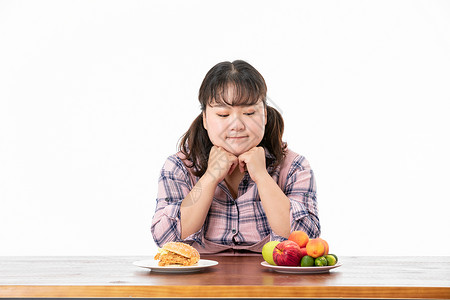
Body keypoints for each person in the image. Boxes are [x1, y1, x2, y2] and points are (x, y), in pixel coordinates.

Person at [151, 60, 320, 255]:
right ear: (205, 119)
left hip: (273, 283)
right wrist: (211, 177)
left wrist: (262, 177)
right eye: (223, 115)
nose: (237, 125)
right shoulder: (179, 166)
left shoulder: (294, 167)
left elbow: (305, 238)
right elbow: (166, 240)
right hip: (198, 283)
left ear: (264, 115)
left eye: (249, 113)